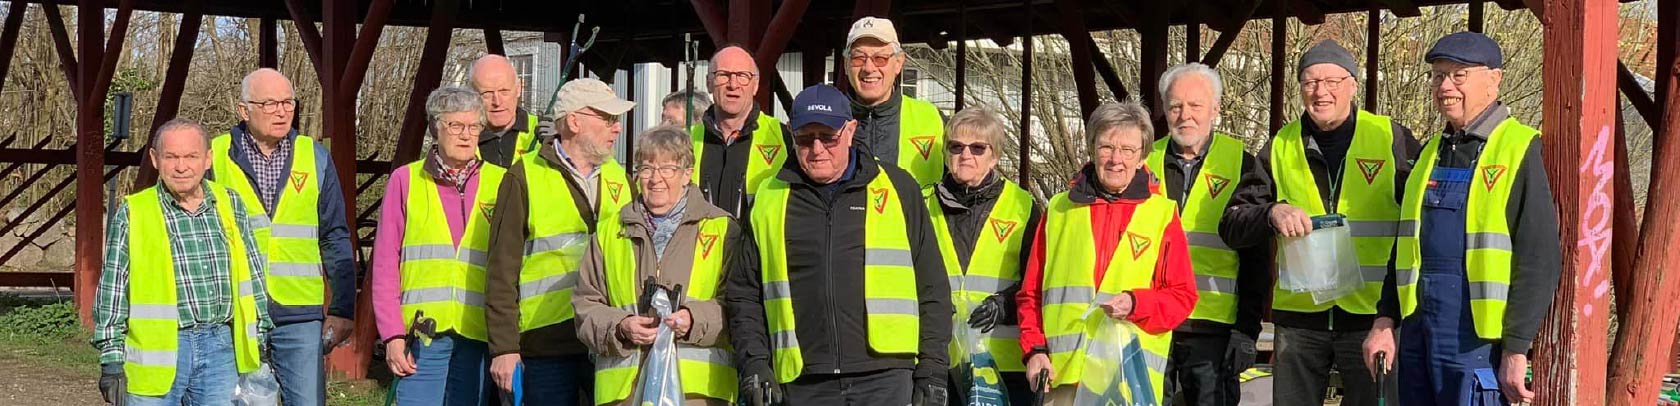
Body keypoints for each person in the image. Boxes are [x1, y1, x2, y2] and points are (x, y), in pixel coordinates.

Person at [1363, 32, 1561, 406]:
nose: (1445, 87)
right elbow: (1403, 248)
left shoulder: (1519, 148)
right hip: (1418, 332)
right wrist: (1384, 320)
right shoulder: (1428, 154)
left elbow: (1540, 259)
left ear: (1494, 79)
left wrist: (1516, 347)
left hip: (1478, 342)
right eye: (1438, 75)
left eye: (1459, 75)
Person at [724, 84, 952, 406]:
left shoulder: (898, 188)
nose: (817, 149)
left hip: (886, 378)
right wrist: (755, 363)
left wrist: (933, 369)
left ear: (850, 131)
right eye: (805, 138)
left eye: (828, 137)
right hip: (802, 381)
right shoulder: (768, 199)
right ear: (791, 134)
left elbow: (932, 287)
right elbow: (744, 293)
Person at [1219, 39, 1418, 406]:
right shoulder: (1280, 146)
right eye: (1310, 82)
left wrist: (1397, 314)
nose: (1320, 91)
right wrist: (1271, 212)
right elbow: (1232, 224)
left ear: (1353, 85)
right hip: (1300, 320)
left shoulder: (1391, 139)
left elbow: (1424, 220)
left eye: (1332, 81)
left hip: (1371, 317)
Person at [1016, 101, 1197, 404]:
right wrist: (1034, 351)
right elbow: (1031, 294)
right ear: (1091, 149)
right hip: (1063, 379)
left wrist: (1136, 303)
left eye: (1127, 150)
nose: (1116, 159)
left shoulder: (1162, 214)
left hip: (1127, 382)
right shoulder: (1059, 210)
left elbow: (1182, 296)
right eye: (1106, 148)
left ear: (1142, 158)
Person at [94, 118, 273, 405]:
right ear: (155, 159)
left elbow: (252, 276)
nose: (181, 166)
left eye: (191, 156)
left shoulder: (230, 203)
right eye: (171, 157)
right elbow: (112, 291)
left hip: (221, 350)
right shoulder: (134, 212)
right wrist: (111, 361)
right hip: (155, 355)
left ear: (207, 159)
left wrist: (260, 337)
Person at [209, 68, 356, 406]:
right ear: (244, 110)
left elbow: (335, 235)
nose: (282, 111)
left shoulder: (315, 156)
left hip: (300, 315)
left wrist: (343, 308)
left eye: (288, 102)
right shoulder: (213, 156)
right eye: (270, 103)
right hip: (235, 313)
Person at [485, 78, 636, 405]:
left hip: (609, 338)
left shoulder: (619, 177)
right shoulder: (524, 176)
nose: (617, 128)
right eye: (608, 118)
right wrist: (504, 348)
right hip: (545, 344)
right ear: (574, 122)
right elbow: (500, 271)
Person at [573, 126, 742, 405]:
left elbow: (740, 306)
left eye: (667, 169)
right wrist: (621, 327)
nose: (655, 179)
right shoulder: (609, 231)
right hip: (624, 394)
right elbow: (585, 305)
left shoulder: (722, 229)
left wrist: (693, 319)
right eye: (646, 169)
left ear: (687, 174)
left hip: (698, 395)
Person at [371, 86, 505, 405]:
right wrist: (392, 334)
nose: (466, 135)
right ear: (435, 127)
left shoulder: (502, 181)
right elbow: (385, 263)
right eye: (455, 125)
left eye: (474, 126)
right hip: (421, 336)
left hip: (478, 333)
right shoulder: (406, 180)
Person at [1145, 63, 1269, 406]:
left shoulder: (1242, 164)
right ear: (1164, 109)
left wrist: (1247, 330)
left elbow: (1257, 258)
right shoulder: (1142, 162)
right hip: (1151, 322)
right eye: (1175, 106)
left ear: (1215, 109)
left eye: (1195, 105)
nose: (1185, 115)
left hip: (1215, 330)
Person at [926, 108, 1043, 406]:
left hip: (1003, 363)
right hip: (939, 360)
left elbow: (1039, 280)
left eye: (978, 148)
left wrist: (1003, 304)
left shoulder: (1022, 206)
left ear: (995, 156)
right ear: (946, 152)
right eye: (956, 147)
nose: (966, 155)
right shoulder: (923, 204)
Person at [688, 45, 791, 218]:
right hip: (703, 237)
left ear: (755, 85)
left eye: (743, 76)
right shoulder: (686, 142)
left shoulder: (784, 138)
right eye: (723, 75)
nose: (733, 84)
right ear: (709, 83)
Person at [844, 16, 946, 187]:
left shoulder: (933, 119)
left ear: (898, 63)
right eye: (858, 58)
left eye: (880, 58)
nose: (868, 68)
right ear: (846, 65)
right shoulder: (830, 122)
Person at [470, 55, 544, 167]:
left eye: (504, 91)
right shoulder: (461, 136)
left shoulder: (543, 131)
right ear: (472, 94)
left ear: (519, 88)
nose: (497, 102)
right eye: (487, 93)